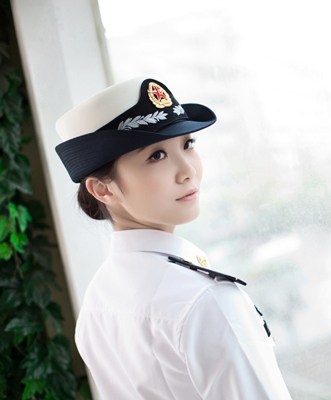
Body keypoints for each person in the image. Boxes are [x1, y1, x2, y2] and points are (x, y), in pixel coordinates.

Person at [55, 77, 292, 399]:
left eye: (188, 145)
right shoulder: (206, 300)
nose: (187, 170)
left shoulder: (97, 303)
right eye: (157, 156)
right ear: (103, 189)